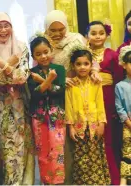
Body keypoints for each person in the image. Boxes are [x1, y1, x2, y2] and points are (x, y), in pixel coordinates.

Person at [44, 10, 102, 184]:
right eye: (52, 30)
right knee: (61, 140)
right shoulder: (43, 44)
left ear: (66, 27)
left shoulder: (75, 39)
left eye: (60, 29)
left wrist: (95, 72)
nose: (56, 34)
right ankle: (65, 179)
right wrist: (62, 80)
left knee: (76, 140)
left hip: (77, 93)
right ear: (46, 29)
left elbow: (89, 60)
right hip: (55, 97)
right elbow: (41, 69)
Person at [0, 12, 34, 185]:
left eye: (6, 25)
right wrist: (10, 67)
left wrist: (4, 68)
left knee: (21, 148)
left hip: (19, 106)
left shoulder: (21, 47)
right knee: (5, 150)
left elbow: (23, 76)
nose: (3, 30)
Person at [86, 21, 124, 185]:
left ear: (106, 35)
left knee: (110, 136)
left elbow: (119, 80)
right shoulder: (84, 54)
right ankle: (97, 175)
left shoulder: (113, 55)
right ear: (87, 36)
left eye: (101, 33)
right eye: (93, 33)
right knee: (93, 136)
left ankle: (114, 177)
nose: (97, 36)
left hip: (108, 98)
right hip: (89, 98)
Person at [65, 48, 110, 185]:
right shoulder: (70, 84)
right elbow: (69, 106)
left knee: (96, 155)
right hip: (79, 127)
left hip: (94, 126)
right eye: (78, 64)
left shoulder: (96, 83)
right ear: (73, 65)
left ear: (91, 65)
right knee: (80, 157)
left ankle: (98, 182)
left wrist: (102, 123)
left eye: (86, 63)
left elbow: (100, 103)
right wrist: (70, 127)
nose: (82, 67)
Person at [28, 35, 66, 184]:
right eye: (38, 54)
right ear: (33, 56)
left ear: (51, 51)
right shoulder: (31, 73)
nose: (43, 56)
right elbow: (35, 94)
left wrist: (43, 81)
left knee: (57, 151)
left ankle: (58, 181)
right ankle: (46, 181)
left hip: (57, 116)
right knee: (43, 152)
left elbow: (60, 91)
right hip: (39, 117)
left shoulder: (59, 69)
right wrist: (49, 80)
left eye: (46, 52)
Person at [115, 45, 131, 185]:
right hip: (128, 124)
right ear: (124, 65)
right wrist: (128, 122)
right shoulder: (120, 86)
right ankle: (124, 179)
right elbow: (119, 107)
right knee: (127, 152)